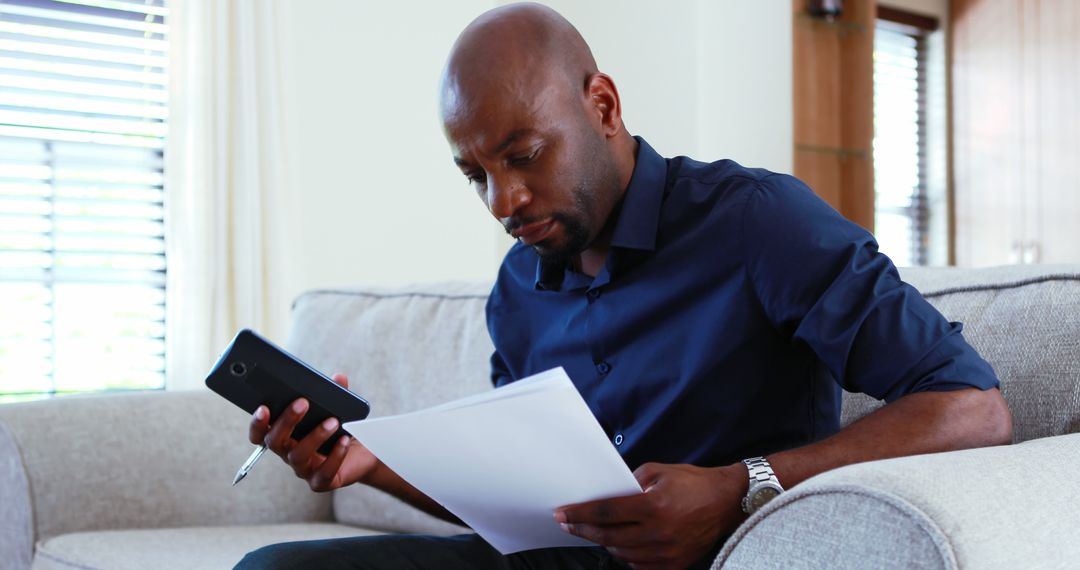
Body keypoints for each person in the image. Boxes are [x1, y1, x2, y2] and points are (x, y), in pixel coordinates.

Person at [237, 3, 1012, 569]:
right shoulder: (517, 287)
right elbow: (528, 508)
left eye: (525, 155)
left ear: (602, 105)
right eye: (475, 175)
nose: (503, 202)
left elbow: (972, 408)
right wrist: (368, 462)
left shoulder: (759, 223)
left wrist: (741, 487)